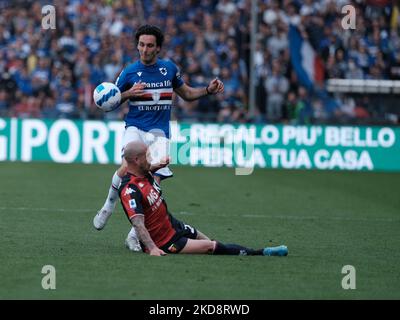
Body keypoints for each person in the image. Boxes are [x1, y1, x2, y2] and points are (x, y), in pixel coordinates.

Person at [93, 25, 224, 251]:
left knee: (152, 187)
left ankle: (134, 236)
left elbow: (187, 94)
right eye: (141, 45)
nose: (144, 49)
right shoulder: (129, 72)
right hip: (136, 127)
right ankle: (107, 206)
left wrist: (208, 90)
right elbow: (109, 103)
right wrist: (127, 94)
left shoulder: (169, 69)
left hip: (160, 133)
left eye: (150, 45)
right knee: (127, 167)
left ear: (158, 48)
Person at [118, 141, 289, 257]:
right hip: (166, 241)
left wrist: (159, 165)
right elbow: (138, 224)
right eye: (147, 156)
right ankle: (261, 253)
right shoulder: (129, 190)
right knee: (210, 246)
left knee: (210, 242)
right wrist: (153, 248)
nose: (150, 159)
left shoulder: (144, 171)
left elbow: (148, 169)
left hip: (173, 224)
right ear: (136, 159)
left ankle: (244, 250)